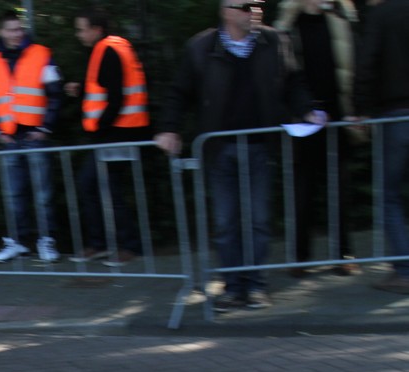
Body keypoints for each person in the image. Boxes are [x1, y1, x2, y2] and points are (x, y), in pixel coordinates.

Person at [154, 0, 321, 312]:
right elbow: (180, 91)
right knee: (226, 222)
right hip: (220, 149)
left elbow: (293, 82)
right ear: (226, 11)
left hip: (261, 146)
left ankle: (255, 286)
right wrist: (169, 128)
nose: (254, 11)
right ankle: (233, 287)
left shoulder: (274, 41)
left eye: (257, 5)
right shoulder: (201, 47)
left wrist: (307, 110)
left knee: (259, 220)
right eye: (245, 6)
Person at [274, 0, 360, 278]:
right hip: (302, 121)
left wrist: (355, 109)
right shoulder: (287, 27)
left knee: (340, 189)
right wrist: (304, 109)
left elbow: (352, 67)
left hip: (337, 118)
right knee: (302, 191)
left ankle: (343, 255)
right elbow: (286, 77)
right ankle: (299, 257)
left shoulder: (340, 20)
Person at [65, 7, 150, 267]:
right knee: (98, 187)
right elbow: (105, 87)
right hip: (119, 131)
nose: (78, 34)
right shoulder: (111, 47)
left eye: (81, 29)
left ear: (96, 29)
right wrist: (81, 88)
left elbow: (116, 97)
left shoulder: (108, 50)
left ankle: (125, 246)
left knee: (102, 187)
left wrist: (100, 127)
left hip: (116, 133)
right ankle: (105, 244)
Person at [0, 10, 64, 263]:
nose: (16, 34)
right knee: (13, 195)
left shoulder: (41, 54)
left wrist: (44, 128)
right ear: (0, 31)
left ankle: (46, 241)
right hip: (9, 137)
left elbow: (55, 94)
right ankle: (17, 242)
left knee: (43, 195)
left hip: (34, 135)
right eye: (11, 29)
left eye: (19, 29)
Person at [352, 0, 409, 293]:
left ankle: (405, 270)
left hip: (396, 114)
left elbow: (367, 62)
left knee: (389, 195)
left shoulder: (380, 15)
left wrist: (361, 108)